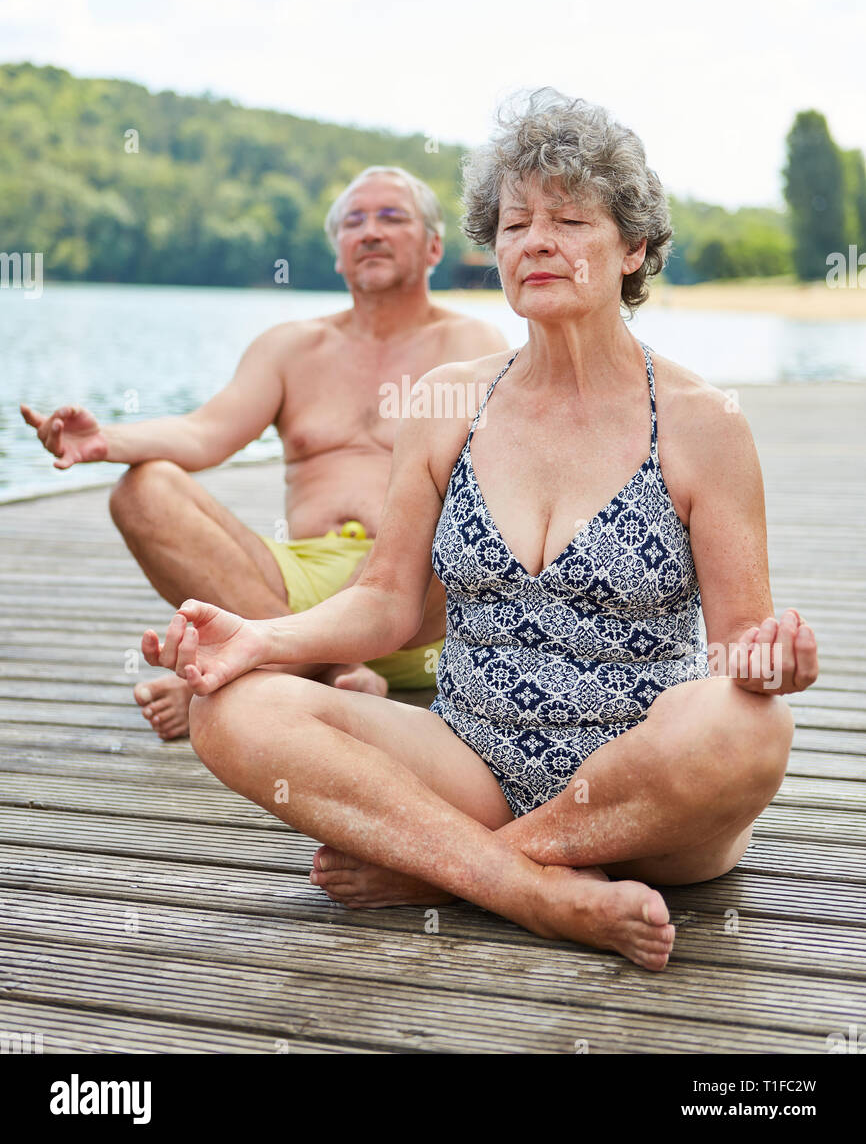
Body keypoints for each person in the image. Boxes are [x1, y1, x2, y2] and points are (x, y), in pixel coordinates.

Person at [138, 91, 819, 969]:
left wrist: (776, 661)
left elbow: (738, 654)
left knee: (754, 729)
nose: (534, 240)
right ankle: (531, 889)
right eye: (513, 223)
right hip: (469, 764)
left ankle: (448, 870)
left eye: (570, 219)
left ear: (636, 249)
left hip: (648, 795)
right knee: (229, 709)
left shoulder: (701, 422)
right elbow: (385, 602)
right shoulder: (449, 400)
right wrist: (259, 638)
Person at [20, 165, 508, 738]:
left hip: (410, 605)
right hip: (285, 593)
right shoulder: (289, 347)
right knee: (143, 487)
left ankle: (265, 667)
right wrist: (105, 442)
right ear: (337, 253)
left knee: (459, 509)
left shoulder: (470, 344)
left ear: (432, 246)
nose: (370, 231)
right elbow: (205, 435)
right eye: (354, 221)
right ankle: (325, 667)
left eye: (391, 217)